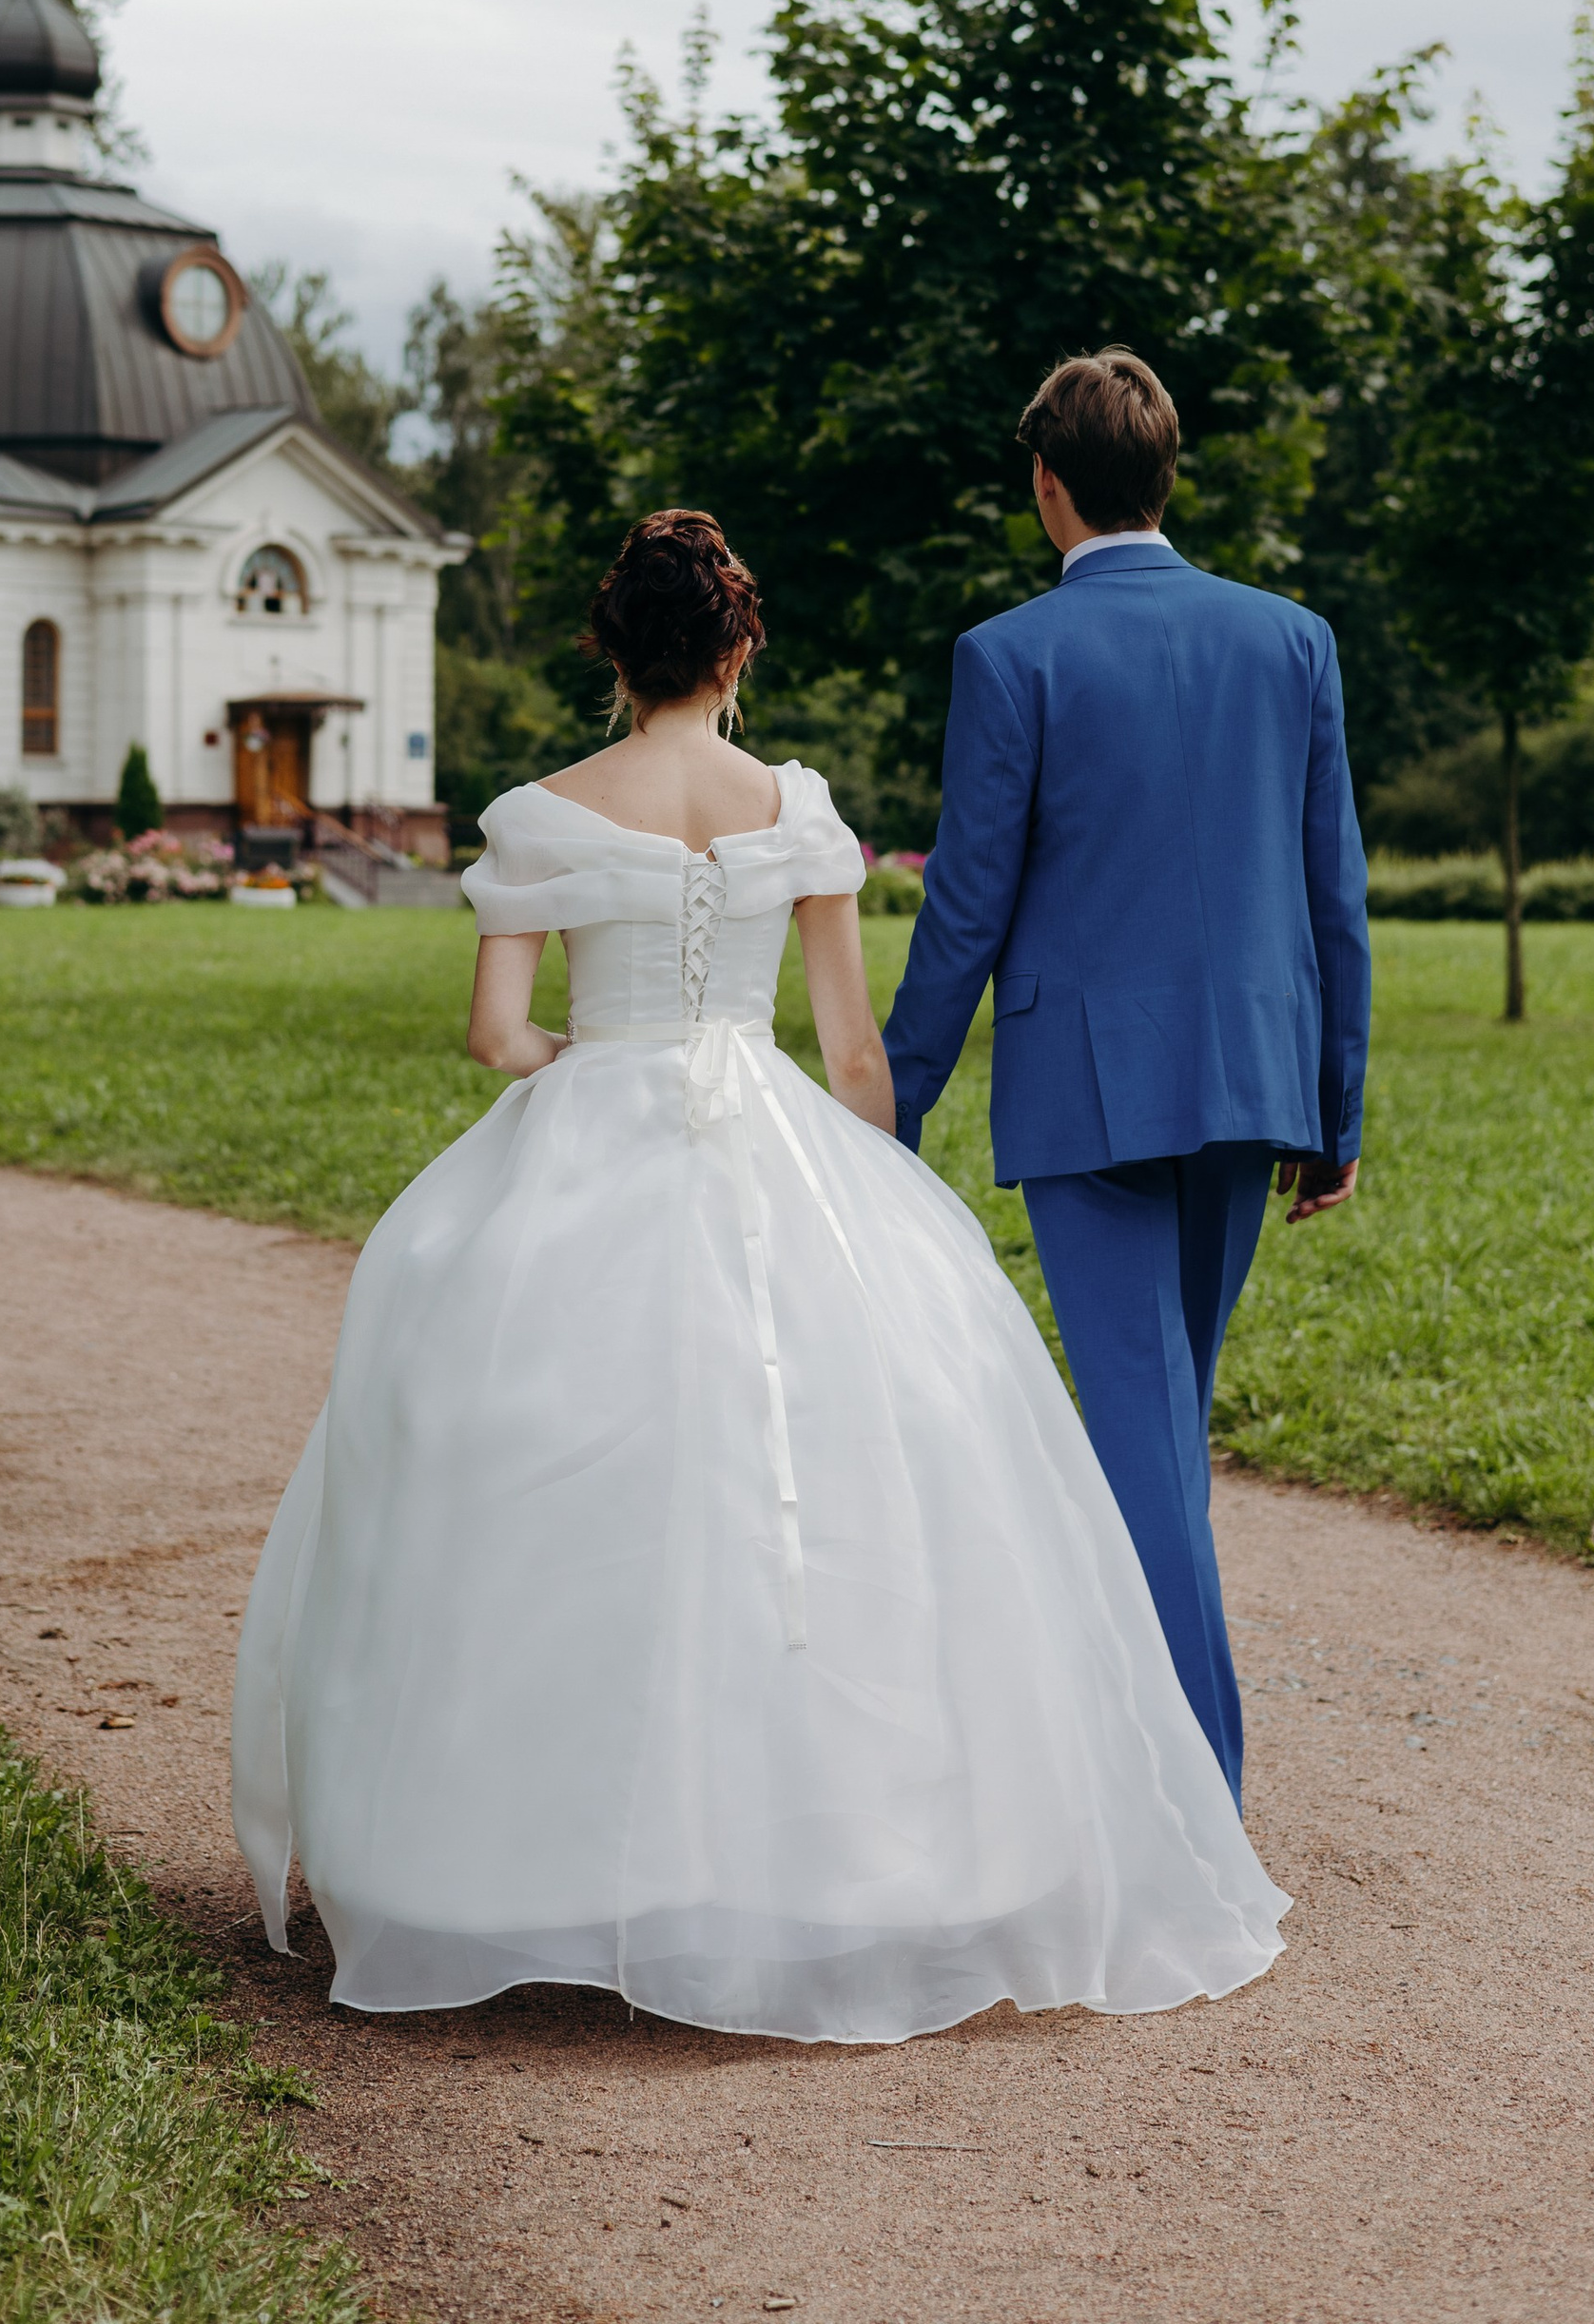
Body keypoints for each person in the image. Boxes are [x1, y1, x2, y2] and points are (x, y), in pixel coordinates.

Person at [230, 507, 1288, 2046]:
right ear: (739, 650)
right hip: (768, 1123)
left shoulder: (540, 813)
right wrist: (873, 1196)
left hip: (598, 1106)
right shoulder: (794, 806)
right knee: (824, 1477)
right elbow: (853, 1052)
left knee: (530, 1454)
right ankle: (838, 1849)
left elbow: (492, 1035)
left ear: (610, 651)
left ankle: (504, 1857)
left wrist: (576, 1072)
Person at [882, 348, 1370, 1809]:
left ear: (1047, 485)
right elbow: (1334, 893)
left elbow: (964, 903)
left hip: (1091, 1093)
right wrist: (1336, 1110)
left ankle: (1191, 1791)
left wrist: (890, 1110)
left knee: (1147, 1434)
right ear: (1169, 475)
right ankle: (1147, 1755)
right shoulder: (1293, 639)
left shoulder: (1010, 655)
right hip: (1254, 1081)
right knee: (1161, 1430)